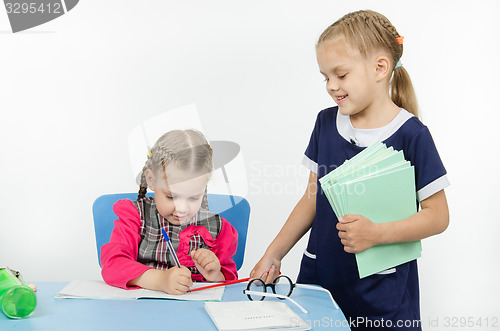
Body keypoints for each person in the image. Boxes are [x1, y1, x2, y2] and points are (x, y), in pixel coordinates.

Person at [250, 10, 449, 330]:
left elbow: (438, 215)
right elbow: (312, 197)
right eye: (325, 76)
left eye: (341, 75)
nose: (331, 86)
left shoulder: (412, 135)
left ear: (380, 68)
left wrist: (377, 234)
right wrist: (274, 253)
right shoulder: (325, 123)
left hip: (382, 295)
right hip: (321, 281)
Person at [101, 129, 238, 295]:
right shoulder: (135, 216)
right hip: (141, 311)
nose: (182, 208)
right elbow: (113, 266)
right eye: (171, 196)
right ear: (151, 179)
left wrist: (215, 274)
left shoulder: (218, 228)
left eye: (193, 198)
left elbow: (229, 280)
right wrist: (161, 280)